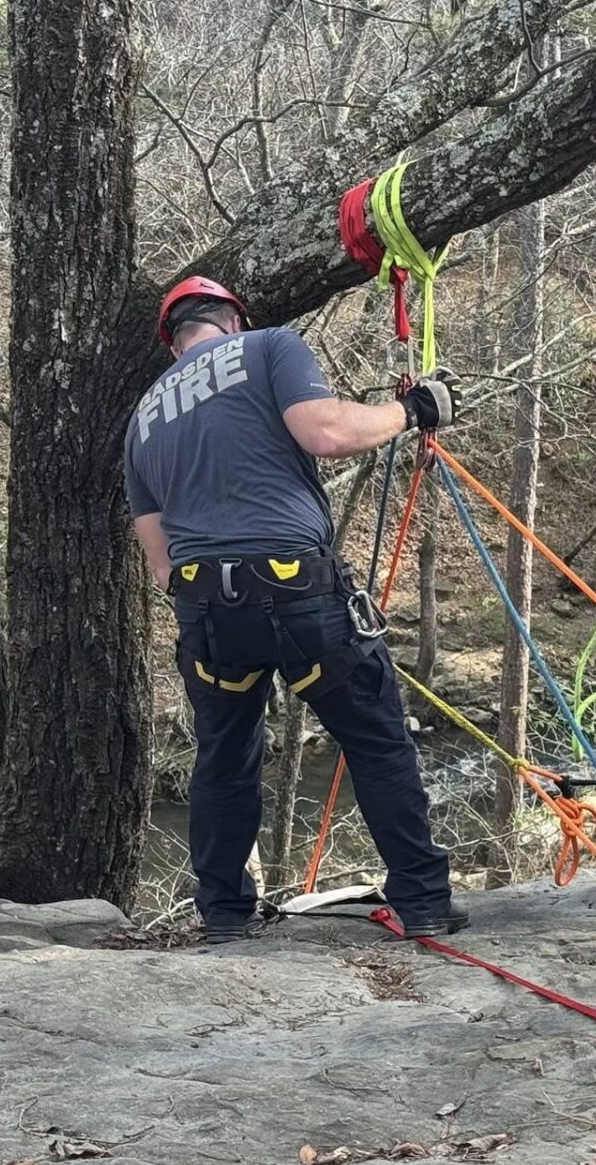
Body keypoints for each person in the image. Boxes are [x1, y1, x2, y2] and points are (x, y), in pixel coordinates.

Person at [125, 275, 467, 944]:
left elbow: (158, 559)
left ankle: (224, 916)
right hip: (296, 590)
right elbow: (326, 431)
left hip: (207, 608)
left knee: (225, 757)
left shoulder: (144, 415)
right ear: (233, 320)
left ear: (173, 343)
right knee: (374, 737)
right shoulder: (268, 347)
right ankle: (423, 900)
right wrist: (415, 409)